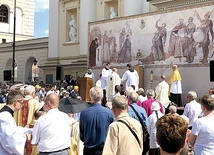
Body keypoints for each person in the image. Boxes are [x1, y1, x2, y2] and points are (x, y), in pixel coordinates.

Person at [79, 86, 114, 155]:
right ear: (102, 97)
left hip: (88, 149)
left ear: (90, 97)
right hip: (103, 149)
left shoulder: (84, 113)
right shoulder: (109, 113)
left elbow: (82, 135)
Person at [0, 90, 32, 155]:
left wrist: (30, 131)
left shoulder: (7, 115)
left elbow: (14, 129)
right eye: (21, 102)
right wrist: (25, 137)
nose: (22, 105)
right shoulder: (5, 116)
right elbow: (10, 139)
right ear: (15, 103)